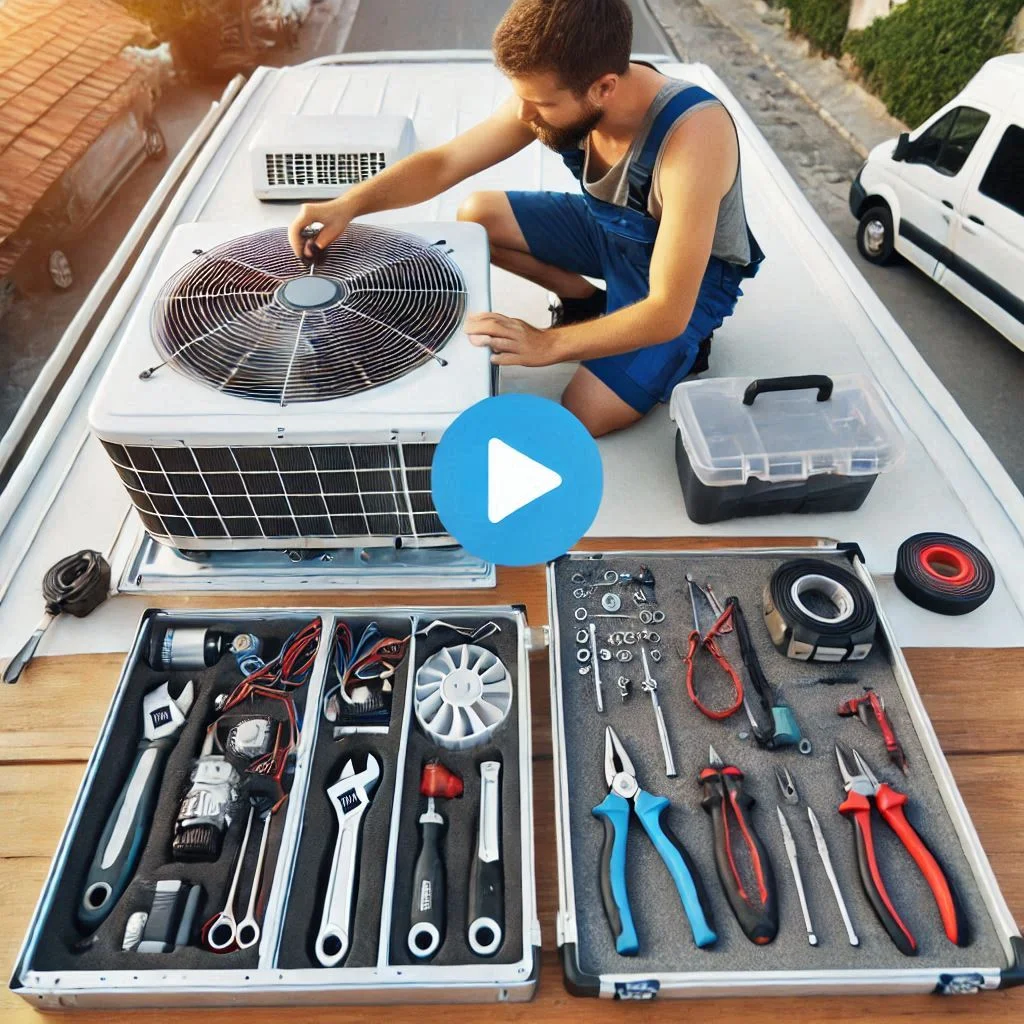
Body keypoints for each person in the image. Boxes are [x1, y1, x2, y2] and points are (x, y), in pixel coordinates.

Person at [288, 0, 763, 437]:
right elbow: (444, 164)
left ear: (604, 88)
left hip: (686, 283)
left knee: (583, 412)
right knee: (476, 218)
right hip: (610, 234)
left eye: (543, 105)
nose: (527, 116)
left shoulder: (694, 134)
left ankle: (685, 351)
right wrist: (348, 204)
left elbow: (666, 309)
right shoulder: (554, 94)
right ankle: (586, 302)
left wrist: (546, 345)